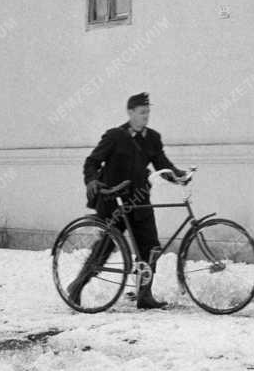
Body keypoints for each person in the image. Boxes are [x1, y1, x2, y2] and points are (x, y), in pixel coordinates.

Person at [69, 91, 190, 309]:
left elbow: (162, 164)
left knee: (150, 247)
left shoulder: (152, 138)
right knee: (104, 248)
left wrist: (179, 176)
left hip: (140, 200)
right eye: (142, 112)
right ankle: (77, 286)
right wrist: (92, 180)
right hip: (114, 200)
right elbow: (92, 162)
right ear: (130, 112)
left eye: (148, 112)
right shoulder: (115, 136)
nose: (146, 116)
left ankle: (145, 295)